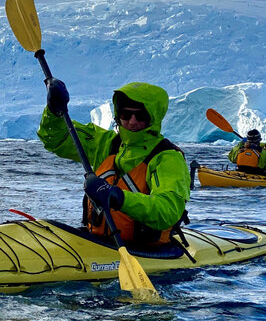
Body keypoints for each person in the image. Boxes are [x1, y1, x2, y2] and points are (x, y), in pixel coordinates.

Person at [39, 79, 190, 247]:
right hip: (97, 242)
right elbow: (56, 139)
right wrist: (54, 111)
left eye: (141, 116)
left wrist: (119, 197)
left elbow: (168, 211)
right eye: (125, 114)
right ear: (118, 116)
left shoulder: (167, 158)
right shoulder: (106, 144)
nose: (132, 122)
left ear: (153, 118)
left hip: (147, 251)